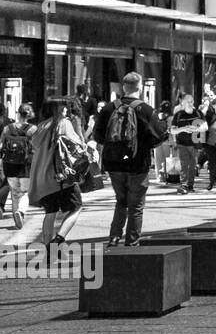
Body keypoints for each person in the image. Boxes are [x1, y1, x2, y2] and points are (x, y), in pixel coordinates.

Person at [91, 72, 166, 247]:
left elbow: (98, 136)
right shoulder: (146, 109)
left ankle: (114, 237)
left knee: (121, 201)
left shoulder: (109, 108)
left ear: (123, 88)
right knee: (136, 206)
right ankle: (132, 242)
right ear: (139, 88)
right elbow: (157, 138)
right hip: (138, 164)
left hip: (114, 164)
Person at [28, 99, 85, 247]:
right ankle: (58, 240)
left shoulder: (39, 127)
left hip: (42, 179)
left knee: (50, 213)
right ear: (58, 111)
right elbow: (77, 145)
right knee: (76, 207)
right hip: (60, 178)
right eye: (63, 109)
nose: (66, 111)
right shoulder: (63, 123)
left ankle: (48, 250)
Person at [0, 103, 37, 228]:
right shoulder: (33, 129)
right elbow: (37, 147)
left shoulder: (7, 128)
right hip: (26, 164)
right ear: (29, 114)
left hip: (9, 164)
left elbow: (1, 145)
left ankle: (17, 221)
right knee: (25, 191)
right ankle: (20, 211)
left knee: (15, 191)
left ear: (18, 113)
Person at [169, 94, 205, 195]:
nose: (190, 104)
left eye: (192, 101)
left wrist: (195, 129)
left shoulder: (198, 113)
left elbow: (205, 127)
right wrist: (183, 129)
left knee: (193, 166)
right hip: (182, 144)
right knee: (184, 165)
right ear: (183, 103)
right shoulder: (178, 114)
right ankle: (183, 184)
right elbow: (172, 130)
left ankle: (190, 185)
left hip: (195, 144)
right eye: (188, 102)